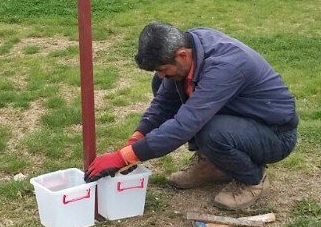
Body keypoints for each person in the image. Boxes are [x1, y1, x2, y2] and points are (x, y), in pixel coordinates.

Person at [85, 22, 299, 211]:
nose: (161, 74)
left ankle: (253, 179)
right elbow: (163, 105)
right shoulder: (190, 46)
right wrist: (137, 139)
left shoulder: (226, 67)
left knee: (211, 132)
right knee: (163, 85)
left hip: (275, 134)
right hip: (240, 117)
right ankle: (214, 164)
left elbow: (184, 125)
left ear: (182, 55)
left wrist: (122, 157)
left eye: (162, 68)